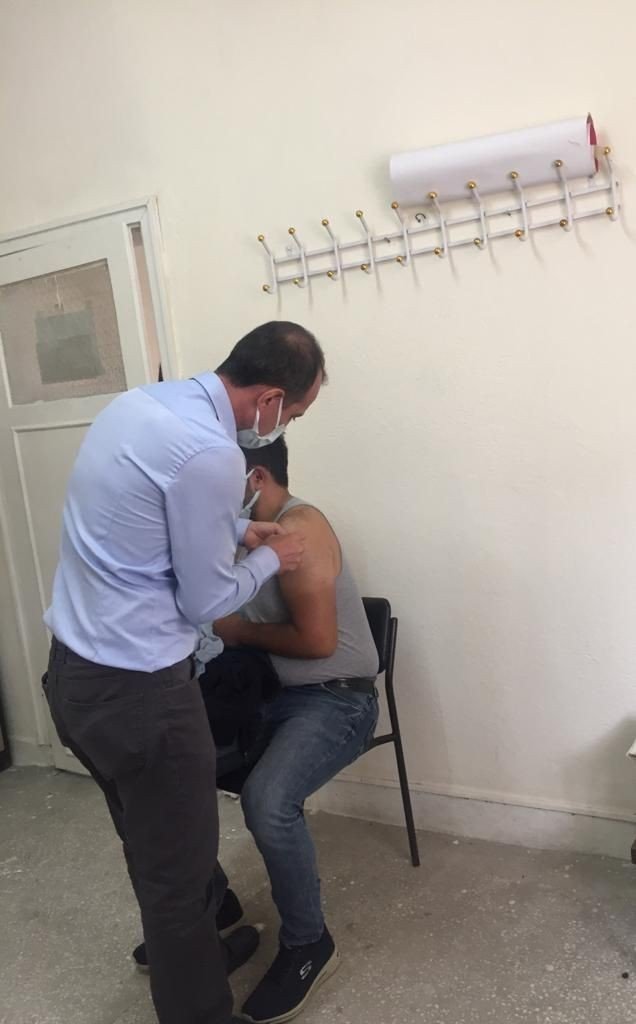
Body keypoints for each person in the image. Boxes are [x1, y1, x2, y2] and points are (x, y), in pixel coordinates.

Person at [42, 322, 326, 1024]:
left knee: (152, 843)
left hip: (74, 677)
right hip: (142, 697)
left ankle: (195, 957)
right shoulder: (212, 453)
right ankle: (198, 1005)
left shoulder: (139, 405)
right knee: (178, 873)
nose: (284, 426)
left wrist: (234, 531)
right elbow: (205, 602)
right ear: (269, 398)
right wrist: (270, 557)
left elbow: (138, 523)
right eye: (292, 414)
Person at [213, 436, 380, 1024]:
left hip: (336, 698)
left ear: (256, 476)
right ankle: (213, 910)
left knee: (267, 801)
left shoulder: (298, 528)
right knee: (168, 768)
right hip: (270, 693)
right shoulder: (234, 534)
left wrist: (235, 630)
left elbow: (319, 642)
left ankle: (310, 943)